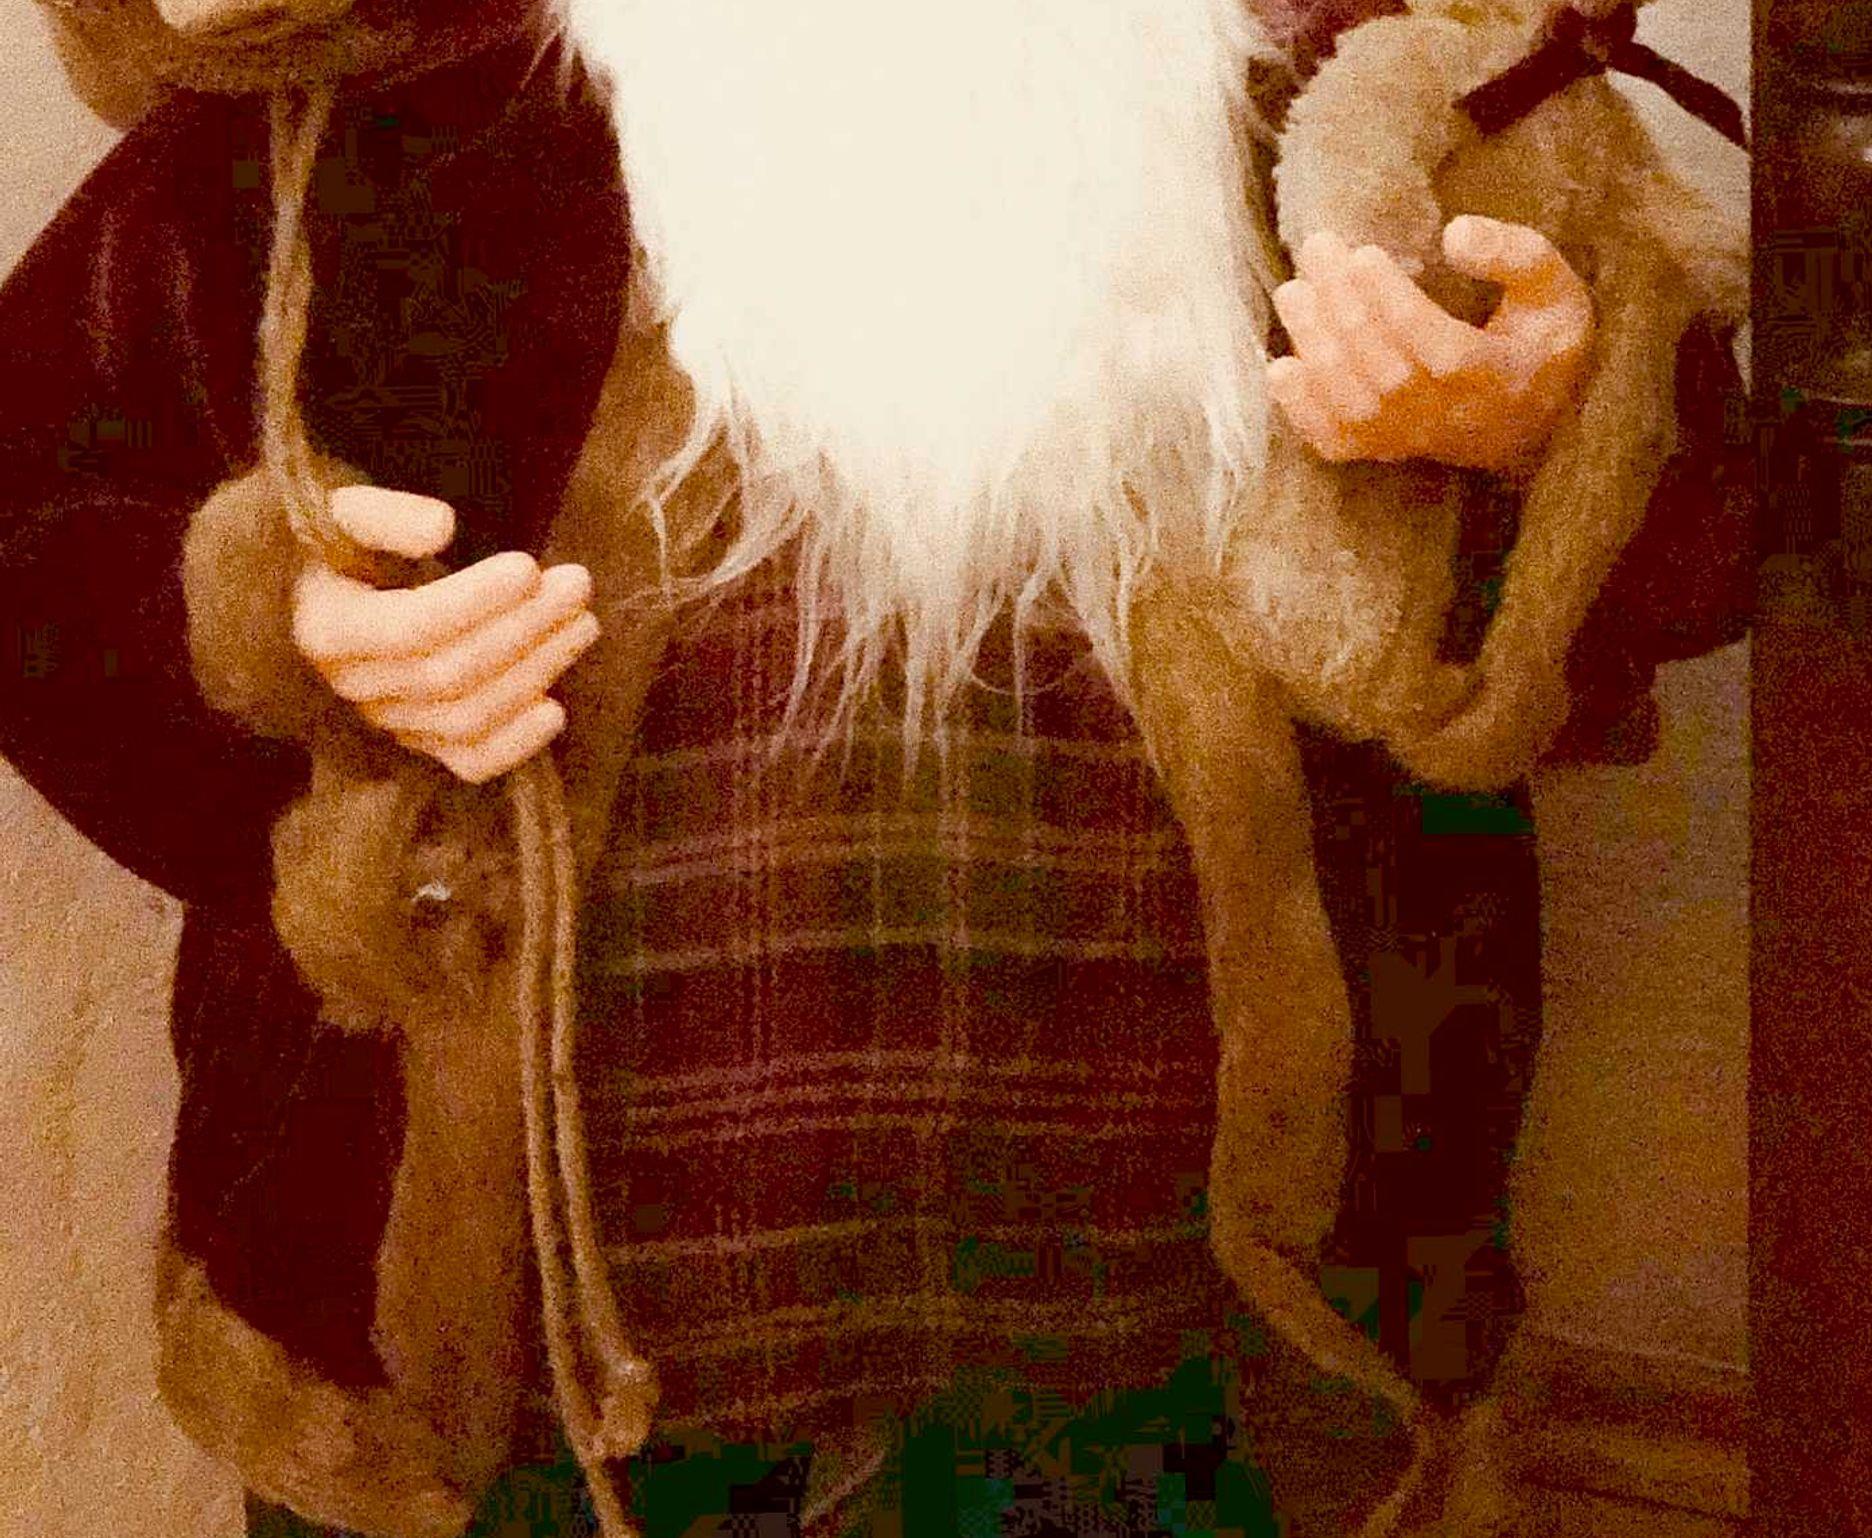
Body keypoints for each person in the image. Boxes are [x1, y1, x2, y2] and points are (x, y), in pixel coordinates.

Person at [3, 1, 1749, 1534]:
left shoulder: (1365, 93)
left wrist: (1543, 432)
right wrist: (272, 625)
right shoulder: (372, 99)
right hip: (524, 1404)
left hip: (1190, 1382)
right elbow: (34, 530)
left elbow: (1709, 550)